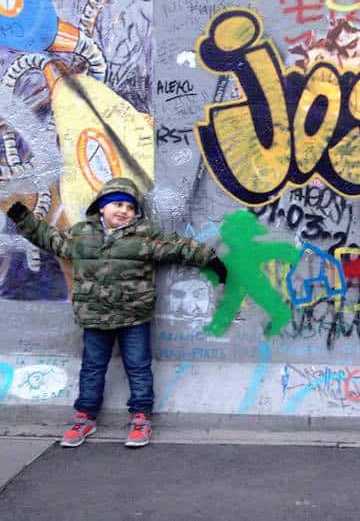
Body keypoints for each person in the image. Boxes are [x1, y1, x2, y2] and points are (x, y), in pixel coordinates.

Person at [6, 177, 227, 448]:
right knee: (92, 368)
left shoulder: (144, 236)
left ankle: (141, 417)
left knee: (138, 366)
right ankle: (85, 416)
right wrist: (24, 219)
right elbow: (52, 240)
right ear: (101, 208)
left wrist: (211, 259)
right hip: (95, 317)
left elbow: (178, 247)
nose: (123, 211)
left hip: (134, 317)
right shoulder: (81, 235)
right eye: (117, 205)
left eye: (130, 207)